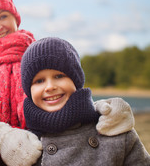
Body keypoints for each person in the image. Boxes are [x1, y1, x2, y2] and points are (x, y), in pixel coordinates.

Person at [0, 0, 135, 166]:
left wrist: (105, 111)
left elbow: (72, 94)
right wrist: (4, 137)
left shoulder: (40, 55)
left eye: (3, 16)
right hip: (4, 159)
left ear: (15, 17)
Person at [19, 37, 150, 165]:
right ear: (29, 90)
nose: (50, 87)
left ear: (76, 81)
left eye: (59, 76)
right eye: (39, 81)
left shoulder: (114, 130)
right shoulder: (23, 146)